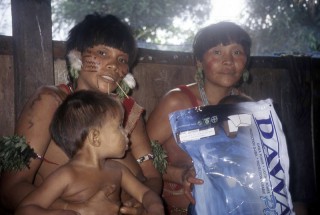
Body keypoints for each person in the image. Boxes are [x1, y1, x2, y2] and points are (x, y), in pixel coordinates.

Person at [0, 13, 161, 215]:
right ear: (76, 57)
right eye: (102, 53)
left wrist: (143, 206)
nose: (114, 65)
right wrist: (80, 210)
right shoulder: (51, 102)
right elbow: (10, 189)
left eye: (122, 59)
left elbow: (152, 177)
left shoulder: (129, 112)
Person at [146, 21, 252, 215]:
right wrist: (180, 175)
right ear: (199, 61)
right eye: (217, 52)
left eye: (237, 52)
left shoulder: (247, 107)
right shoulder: (177, 102)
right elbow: (137, 158)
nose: (228, 61)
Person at [14, 90, 164, 215]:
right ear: (95, 137)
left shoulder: (118, 170)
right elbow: (24, 209)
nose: (126, 133)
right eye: (119, 126)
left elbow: (145, 194)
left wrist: (155, 207)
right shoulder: (66, 176)